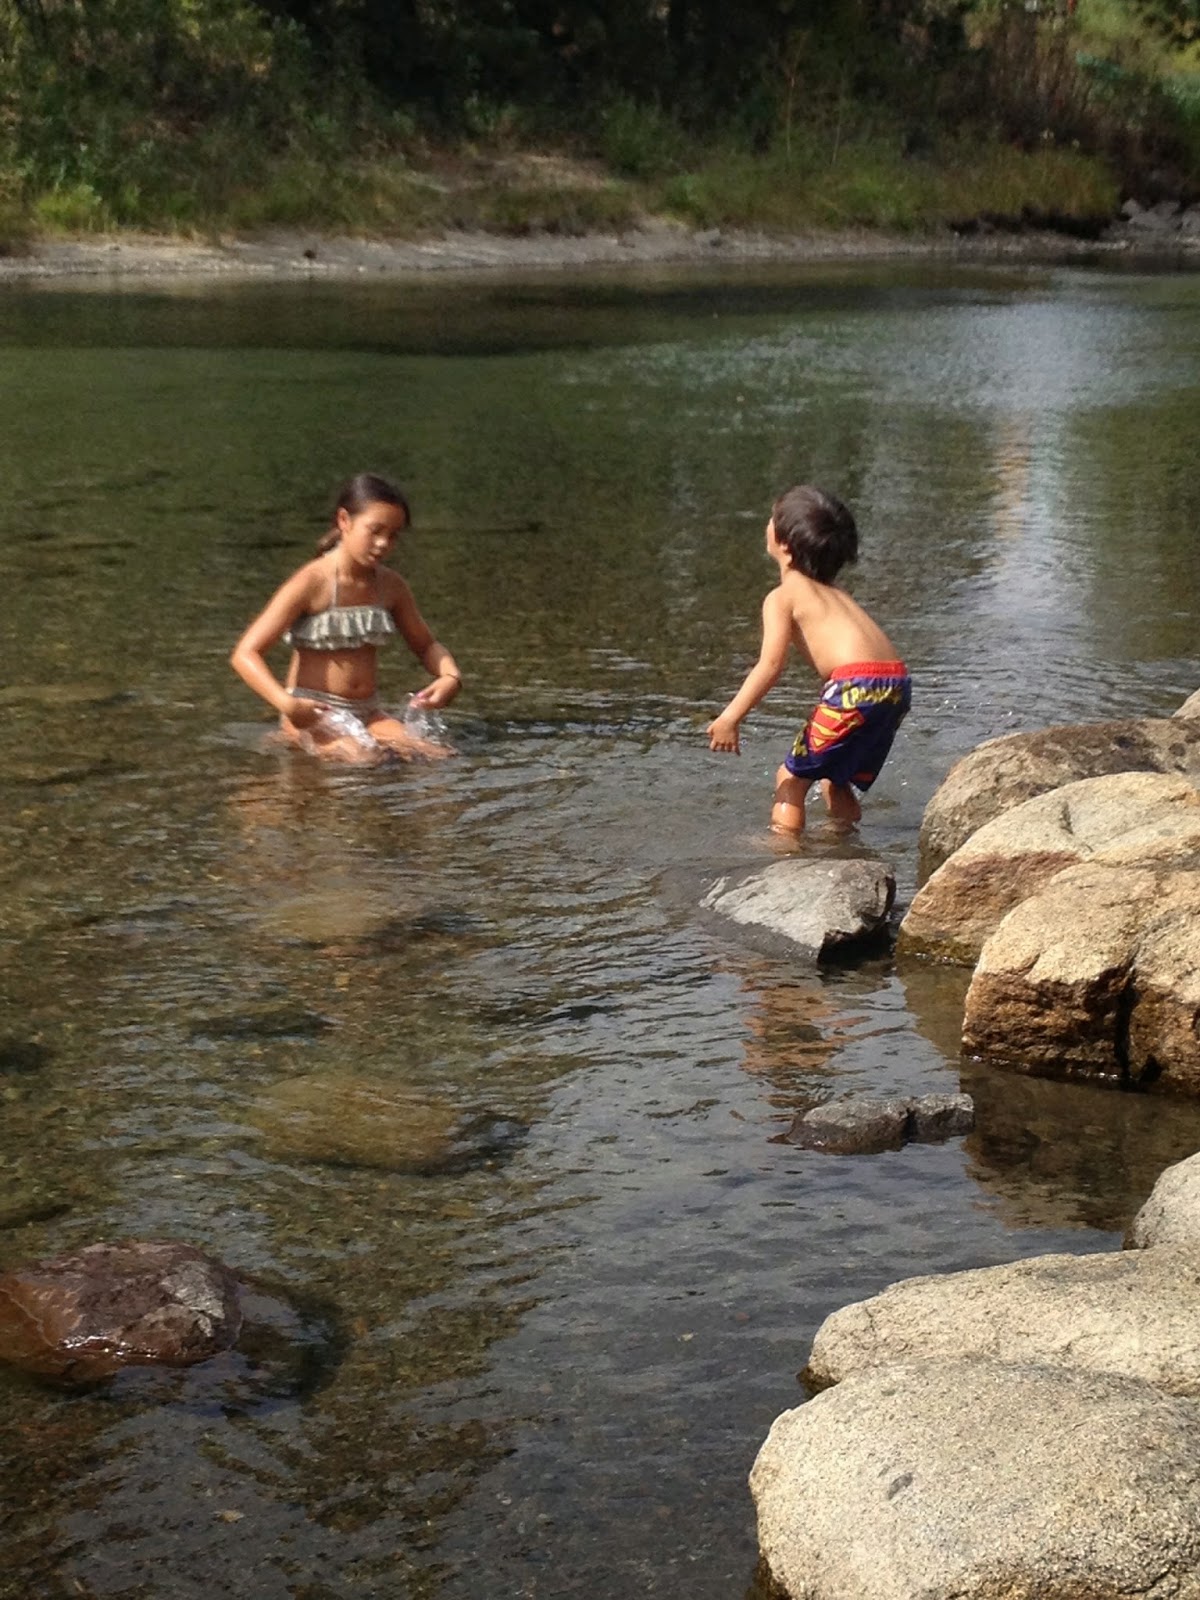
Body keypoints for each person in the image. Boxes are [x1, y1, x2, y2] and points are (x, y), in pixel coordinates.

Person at [707, 485, 910, 833]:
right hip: (897, 684)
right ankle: (843, 839)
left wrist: (730, 717)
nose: (767, 524)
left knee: (790, 777)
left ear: (784, 544)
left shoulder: (782, 596)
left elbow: (771, 665)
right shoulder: (837, 593)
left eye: (772, 518)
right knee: (836, 774)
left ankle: (786, 851)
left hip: (856, 686)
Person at [231, 472, 462, 762]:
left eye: (393, 535)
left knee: (439, 757)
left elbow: (426, 645)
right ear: (344, 521)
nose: (383, 543)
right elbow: (245, 653)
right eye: (375, 531)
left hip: (368, 713)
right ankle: (294, 751)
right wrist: (288, 705)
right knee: (364, 758)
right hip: (313, 713)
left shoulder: (391, 586)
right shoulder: (312, 582)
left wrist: (450, 676)